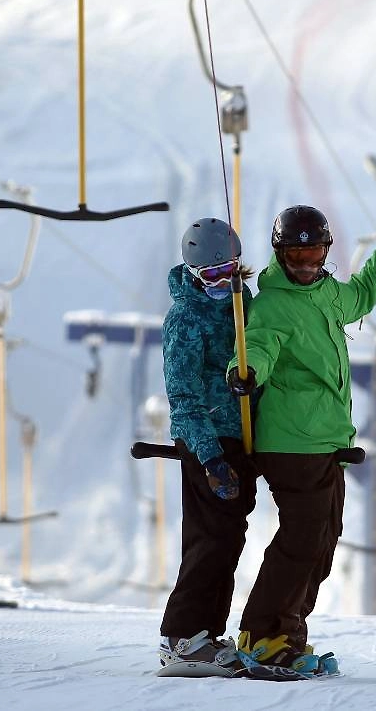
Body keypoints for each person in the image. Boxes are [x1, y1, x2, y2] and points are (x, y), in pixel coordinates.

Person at [227, 204, 376, 671]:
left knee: (321, 540)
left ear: (325, 253)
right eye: (296, 255)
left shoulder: (326, 294)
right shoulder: (274, 302)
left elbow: (365, 290)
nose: (305, 264)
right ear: (280, 254)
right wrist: (246, 372)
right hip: (291, 442)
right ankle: (261, 634)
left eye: (314, 253)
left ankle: (288, 634)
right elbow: (258, 342)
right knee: (302, 539)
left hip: (325, 443)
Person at [157, 217, 257, 673]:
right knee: (208, 538)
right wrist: (210, 456)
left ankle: (206, 633)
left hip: (239, 435)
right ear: (194, 273)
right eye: (211, 275)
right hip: (206, 441)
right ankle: (179, 636)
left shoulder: (241, 301)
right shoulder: (185, 316)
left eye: (230, 271)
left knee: (229, 537)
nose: (222, 282)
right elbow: (182, 392)